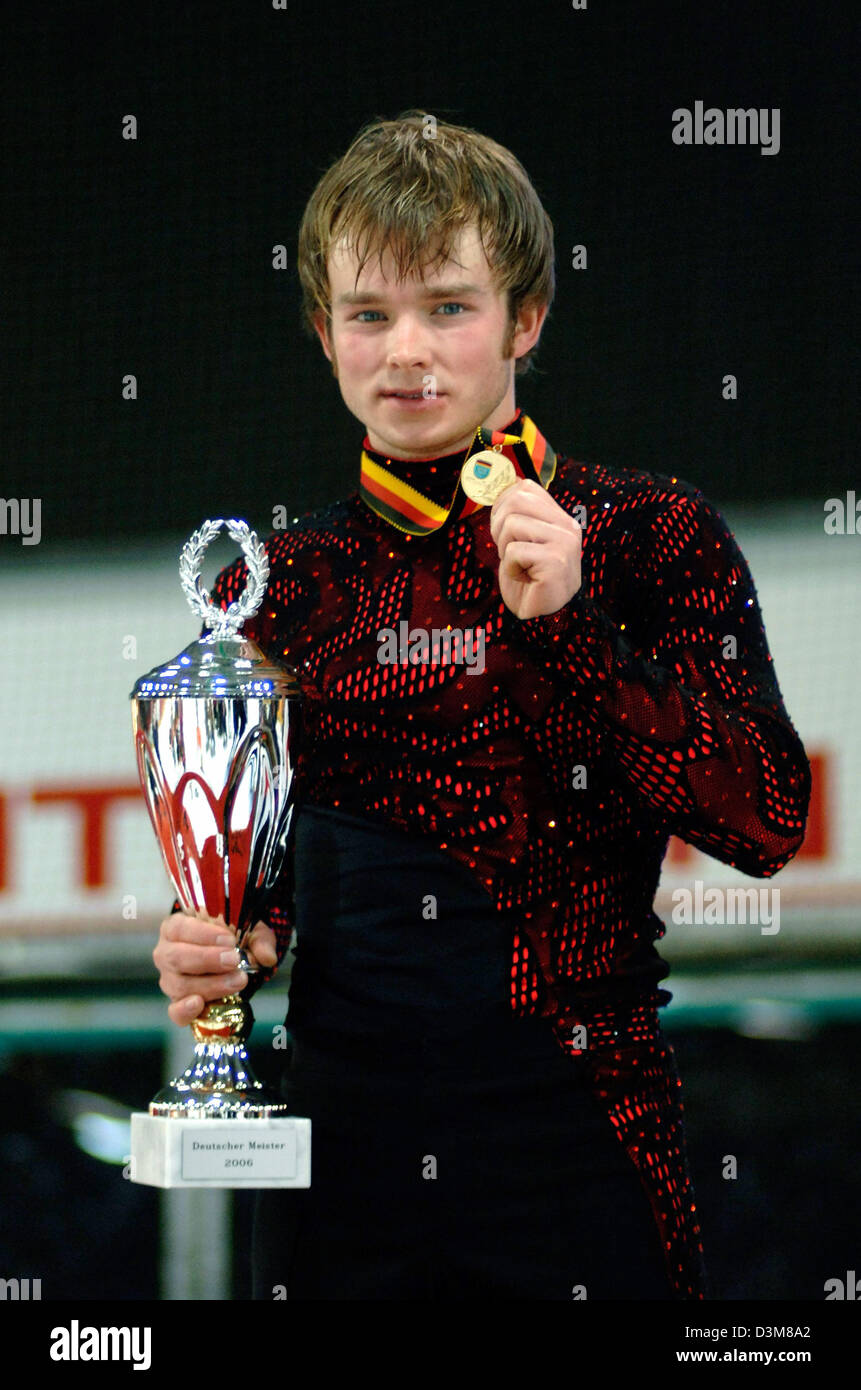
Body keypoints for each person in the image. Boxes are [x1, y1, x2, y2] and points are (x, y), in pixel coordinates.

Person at [152, 111, 811, 1300]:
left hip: (584, 1158)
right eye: (369, 313)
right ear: (323, 332)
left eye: (448, 306)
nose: (407, 350)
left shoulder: (648, 534)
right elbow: (272, 897)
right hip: (341, 1178)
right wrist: (226, 941)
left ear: (527, 318)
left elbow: (765, 819)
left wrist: (574, 630)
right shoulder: (283, 585)